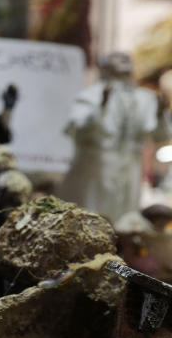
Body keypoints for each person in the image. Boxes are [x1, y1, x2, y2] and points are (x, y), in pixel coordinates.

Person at [58, 52, 172, 223]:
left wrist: (160, 113)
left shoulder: (144, 99)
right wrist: (100, 108)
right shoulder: (91, 96)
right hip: (95, 169)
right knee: (88, 218)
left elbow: (160, 136)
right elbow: (75, 127)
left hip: (129, 170)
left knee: (122, 222)